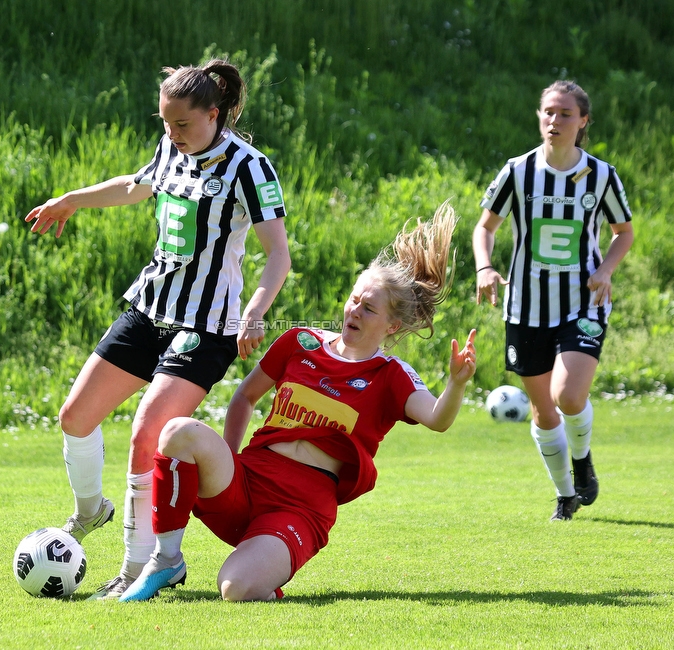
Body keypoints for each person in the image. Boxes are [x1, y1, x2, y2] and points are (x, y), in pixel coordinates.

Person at [94, 202, 478, 602]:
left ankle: (263, 566)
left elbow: (437, 419)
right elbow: (245, 396)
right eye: (353, 300)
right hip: (247, 480)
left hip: (300, 508)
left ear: (392, 325)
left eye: (369, 308)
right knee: (177, 431)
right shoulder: (301, 341)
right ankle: (166, 560)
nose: (355, 311)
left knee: (236, 589)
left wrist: (456, 383)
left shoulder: (390, 373)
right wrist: (229, 458)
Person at [24, 58, 291, 596]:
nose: (173, 135)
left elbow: (277, 255)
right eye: (165, 124)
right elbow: (136, 185)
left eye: (184, 125)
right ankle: (91, 510)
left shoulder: (249, 167)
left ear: (214, 114)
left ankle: (139, 565)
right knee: (75, 417)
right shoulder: (172, 145)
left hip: (208, 326)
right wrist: (71, 200)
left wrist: (255, 313)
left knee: (148, 431)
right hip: (150, 309)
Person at [473, 80, 634, 522]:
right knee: (544, 410)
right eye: (548, 112)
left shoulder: (601, 176)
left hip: (584, 303)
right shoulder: (518, 171)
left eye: (565, 113)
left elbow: (624, 233)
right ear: (539, 116)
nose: (554, 121)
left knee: (568, 395)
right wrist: (484, 267)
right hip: (525, 307)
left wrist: (605, 270)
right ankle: (565, 495)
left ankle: (582, 458)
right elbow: (484, 227)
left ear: (583, 121)